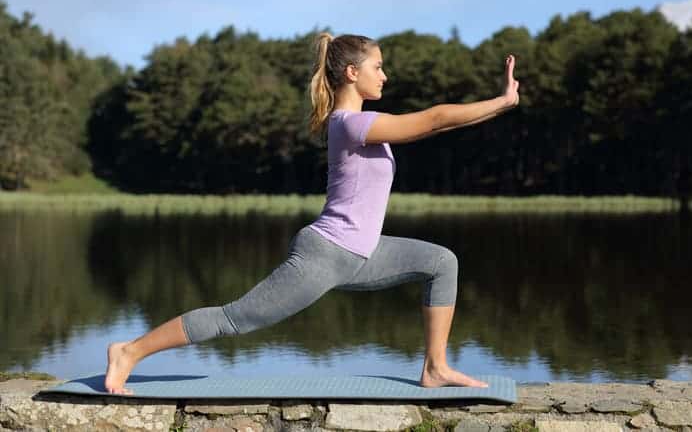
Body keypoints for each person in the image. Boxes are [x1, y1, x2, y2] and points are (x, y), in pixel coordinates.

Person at [104, 32, 520, 395]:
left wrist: (501, 107)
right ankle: (129, 351)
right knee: (236, 319)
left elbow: (437, 126)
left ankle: (435, 367)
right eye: (379, 66)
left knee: (441, 263)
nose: (385, 75)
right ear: (353, 73)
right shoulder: (351, 124)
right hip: (325, 254)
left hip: (361, 254)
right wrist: (500, 100)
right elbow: (433, 118)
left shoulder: (362, 124)